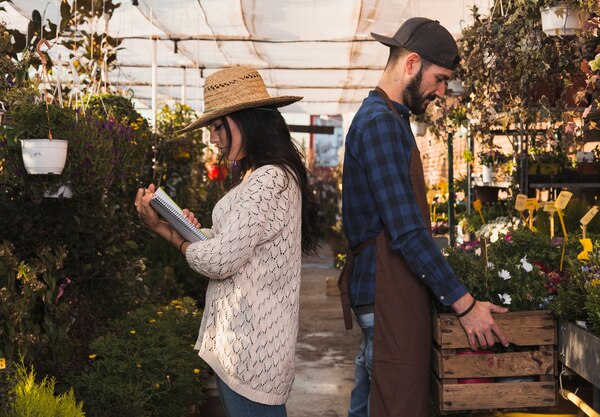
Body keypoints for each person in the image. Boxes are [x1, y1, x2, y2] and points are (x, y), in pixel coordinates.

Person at [339, 17, 510, 417]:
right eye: (440, 78)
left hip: (388, 288)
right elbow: (408, 232)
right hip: (386, 289)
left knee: (372, 399)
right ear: (412, 63)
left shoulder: (390, 118)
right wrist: (465, 307)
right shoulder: (381, 123)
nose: (442, 91)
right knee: (395, 402)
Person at [135, 66, 319, 417]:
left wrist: (174, 237)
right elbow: (237, 245)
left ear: (247, 121)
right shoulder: (258, 173)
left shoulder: (269, 180)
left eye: (218, 126)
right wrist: (179, 229)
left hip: (252, 352)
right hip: (243, 345)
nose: (213, 138)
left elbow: (220, 260)